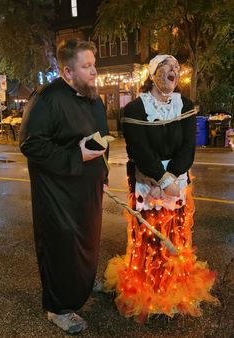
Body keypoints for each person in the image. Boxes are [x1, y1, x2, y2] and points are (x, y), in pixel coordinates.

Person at [104, 55, 218, 323]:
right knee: (150, 237)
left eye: (177, 68)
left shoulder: (186, 106)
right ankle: (148, 289)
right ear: (153, 73)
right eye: (167, 67)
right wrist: (160, 181)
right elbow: (139, 149)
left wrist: (174, 179)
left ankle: (171, 286)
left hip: (176, 183)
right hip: (147, 182)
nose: (174, 71)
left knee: (175, 237)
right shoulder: (134, 109)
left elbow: (187, 147)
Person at [19, 39, 109, 334]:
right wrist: (76, 155)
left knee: (88, 239)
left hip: (88, 189)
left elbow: (100, 140)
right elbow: (31, 145)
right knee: (62, 247)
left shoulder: (93, 98)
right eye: (87, 66)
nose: (95, 71)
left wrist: (103, 176)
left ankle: (83, 280)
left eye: (94, 64)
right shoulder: (46, 99)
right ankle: (58, 308)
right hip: (57, 193)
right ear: (67, 72)